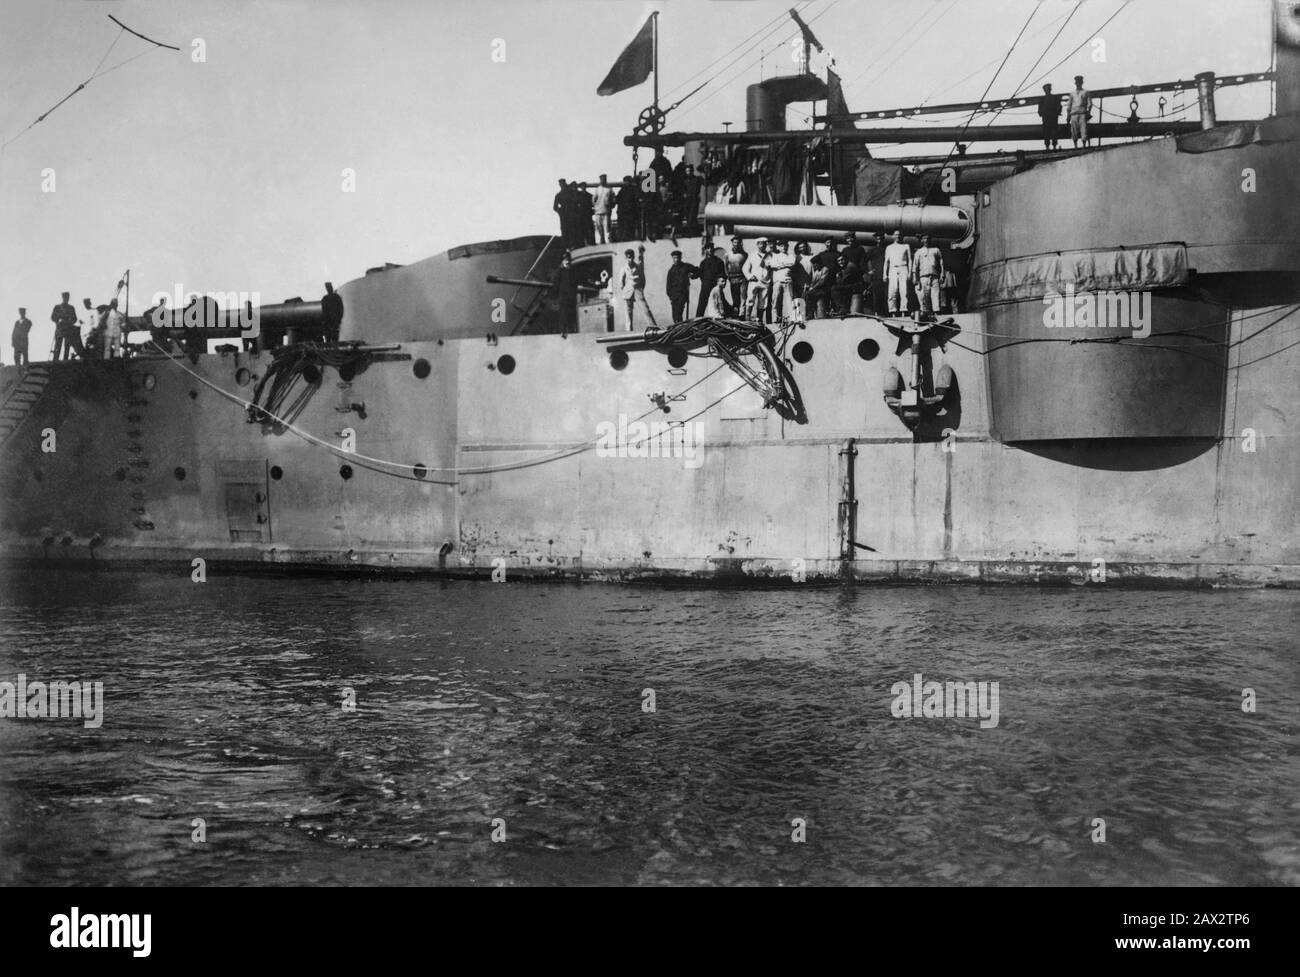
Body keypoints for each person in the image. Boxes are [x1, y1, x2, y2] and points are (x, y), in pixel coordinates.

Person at [615, 246, 656, 331]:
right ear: (626, 258)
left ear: (633, 257)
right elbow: (621, 282)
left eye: (631, 257)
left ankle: (653, 326)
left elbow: (643, 279)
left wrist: (640, 289)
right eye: (628, 258)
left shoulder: (638, 267)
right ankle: (629, 330)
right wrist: (625, 290)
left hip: (637, 290)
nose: (630, 259)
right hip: (627, 292)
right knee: (628, 313)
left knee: (645, 309)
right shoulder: (623, 268)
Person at [911, 234, 945, 315]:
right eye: (924, 239)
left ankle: (936, 313)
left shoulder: (936, 250)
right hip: (923, 277)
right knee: (924, 297)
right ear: (922, 240)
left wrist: (942, 274)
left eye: (927, 238)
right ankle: (925, 315)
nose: (926, 240)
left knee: (935, 295)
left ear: (930, 239)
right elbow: (915, 266)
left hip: (934, 277)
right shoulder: (918, 252)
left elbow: (941, 263)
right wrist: (915, 278)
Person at [883, 230, 912, 317]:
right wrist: (884, 274)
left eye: (899, 235)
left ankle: (903, 311)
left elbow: (910, 260)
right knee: (892, 291)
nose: (898, 236)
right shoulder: (889, 247)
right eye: (895, 235)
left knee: (904, 291)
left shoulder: (906, 246)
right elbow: (886, 261)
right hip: (893, 269)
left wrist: (910, 272)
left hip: (903, 268)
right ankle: (893, 312)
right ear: (892, 236)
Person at [665, 250, 698, 324]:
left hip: (682, 294)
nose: (676, 260)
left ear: (680, 258)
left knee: (679, 313)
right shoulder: (671, 270)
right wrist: (670, 295)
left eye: (677, 258)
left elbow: (697, 270)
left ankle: (680, 328)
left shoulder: (686, 266)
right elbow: (668, 285)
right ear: (672, 259)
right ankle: (678, 328)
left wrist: (692, 275)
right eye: (674, 258)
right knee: (674, 315)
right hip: (674, 296)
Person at [766, 240, 795, 321]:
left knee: (790, 300)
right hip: (777, 281)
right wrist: (785, 265)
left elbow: (792, 263)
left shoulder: (791, 256)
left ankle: (792, 319)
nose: (784, 248)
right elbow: (772, 265)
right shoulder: (775, 256)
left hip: (788, 281)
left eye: (785, 246)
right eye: (782, 246)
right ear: (778, 247)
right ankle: (775, 319)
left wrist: (780, 265)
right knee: (775, 301)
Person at [695, 240, 726, 317]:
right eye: (708, 248)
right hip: (705, 285)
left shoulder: (719, 262)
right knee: (702, 303)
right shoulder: (703, 263)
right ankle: (698, 320)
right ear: (705, 250)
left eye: (711, 248)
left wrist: (720, 284)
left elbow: (722, 274)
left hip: (715, 285)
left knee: (720, 302)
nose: (710, 250)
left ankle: (724, 318)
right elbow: (700, 274)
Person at [744, 237, 771, 323]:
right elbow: (745, 268)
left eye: (764, 244)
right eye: (760, 244)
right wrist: (750, 276)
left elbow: (772, 266)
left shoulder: (769, 256)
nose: (762, 246)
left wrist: (767, 265)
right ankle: (747, 320)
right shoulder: (752, 255)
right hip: (754, 282)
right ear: (757, 245)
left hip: (765, 282)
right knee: (750, 299)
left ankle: (759, 320)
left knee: (762, 302)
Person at [51, 291, 80, 360]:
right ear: (62, 297)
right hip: (60, 329)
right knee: (57, 346)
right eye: (65, 297)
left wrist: (70, 321)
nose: (66, 299)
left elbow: (75, 318)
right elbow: (53, 317)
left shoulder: (71, 308)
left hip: (68, 329)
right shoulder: (57, 307)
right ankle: (55, 360)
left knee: (67, 346)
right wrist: (58, 320)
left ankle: (65, 360)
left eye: (67, 297)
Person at [724, 236, 748, 316]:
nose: (736, 244)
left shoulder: (745, 254)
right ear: (732, 243)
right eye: (735, 242)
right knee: (735, 298)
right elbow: (725, 266)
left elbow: (747, 266)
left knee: (743, 298)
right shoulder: (727, 254)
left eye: (738, 242)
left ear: (741, 243)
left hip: (742, 278)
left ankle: (742, 315)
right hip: (733, 279)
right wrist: (728, 276)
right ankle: (735, 314)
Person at [865, 232, 887, 316]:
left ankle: (886, 314)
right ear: (875, 239)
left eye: (881, 238)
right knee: (876, 297)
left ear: (883, 239)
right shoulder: (872, 251)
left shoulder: (887, 249)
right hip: (876, 277)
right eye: (877, 238)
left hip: (885, 276)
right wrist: (868, 271)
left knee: (885, 297)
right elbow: (863, 262)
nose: (879, 240)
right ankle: (877, 313)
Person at [591, 174, 615, 245]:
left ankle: (608, 243)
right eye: (602, 179)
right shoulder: (597, 189)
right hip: (598, 212)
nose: (603, 180)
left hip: (606, 211)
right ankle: (600, 242)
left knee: (606, 228)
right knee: (599, 228)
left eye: (604, 179)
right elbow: (593, 200)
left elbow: (614, 199)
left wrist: (610, 206)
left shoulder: (609, 189)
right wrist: (596, 207)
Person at [1068, 75, 1091, 148]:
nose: (1078, 83)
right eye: (1077, 82)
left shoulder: (1086, 92)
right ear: (1075, 83)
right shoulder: (1072, 93)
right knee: (1074, 130)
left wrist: (1088, 112)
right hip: (1074, 114)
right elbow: (1069, 105)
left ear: (1082, 83)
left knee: (1083, 129)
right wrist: (1068, 115)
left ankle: (1084, 145)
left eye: (1079, 82)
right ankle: (1075, 146)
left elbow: (1090, 103)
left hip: (1082, 113)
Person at [615, 176, 639, 242]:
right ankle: (624, 238)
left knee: (628, 226)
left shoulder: (630, 190)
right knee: (624, 226)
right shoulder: (623, 190)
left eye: (627, 181)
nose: (626, 183)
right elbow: (616, 200)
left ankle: (626, 238)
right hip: (624, 212)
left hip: (629, 212)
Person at [1038, 83, 1061, 150]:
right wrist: (1041, 113)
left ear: (1050, 89)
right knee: (1046, 132)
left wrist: (1057, 113)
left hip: (1053, 117)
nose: (1047, 90)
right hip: (1046, 118)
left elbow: (1059, 106)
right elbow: (1039, 108)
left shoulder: (1055, 98)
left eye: (1048, 88)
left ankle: (1054, 146)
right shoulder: (1042, 99)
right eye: (1046, 89)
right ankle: (1047, 146)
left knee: (1054, 132)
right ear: (1044, 90)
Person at [553, 179, 571, 244]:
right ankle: (566, 244)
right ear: (560, 185)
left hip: (572, 212)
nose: (562, 185)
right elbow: (555, 207)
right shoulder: (558, 195)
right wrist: (560, 212)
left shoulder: (570, 192)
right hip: (564, 214)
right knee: (564, 229)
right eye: (561, 184)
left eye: (563, 184)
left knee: (573, 228)